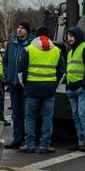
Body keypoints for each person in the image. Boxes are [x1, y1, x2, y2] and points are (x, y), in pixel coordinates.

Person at [19, 25, 64, 155]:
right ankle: (45, 145)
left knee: (30, 118)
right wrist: (55, 85)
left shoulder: (29, 49)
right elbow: (61, 71)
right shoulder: (57, 51)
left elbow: (21, 70)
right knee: (47, 118)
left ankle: (30, 145)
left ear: (36, 35)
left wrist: (25, 85)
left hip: (32, 89)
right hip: (49, 89)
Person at [65, 26, 85, 152]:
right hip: (72, 88)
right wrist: (68, 86)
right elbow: (69, 70)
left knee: (83, 114)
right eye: (68, 36)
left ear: (77, 36)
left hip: (83, 88)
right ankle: (81, 141)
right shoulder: (70, 52)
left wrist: (84, 85)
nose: (69, 39)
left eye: (71, 36)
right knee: (77, 116)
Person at [3, 21, 33, 149]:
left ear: (27, 31)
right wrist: (7, 74)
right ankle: (17, 139)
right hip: (13, 83)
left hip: (26, 84)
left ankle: (28, 139)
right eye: (18, 28)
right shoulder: (11, 44)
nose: (19, 30)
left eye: (22, 28)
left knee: (27, 112)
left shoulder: (31, 45)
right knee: (16, 112)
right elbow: (5, 61)